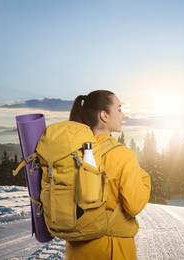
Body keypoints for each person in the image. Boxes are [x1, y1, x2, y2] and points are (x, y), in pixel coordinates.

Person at [65, 90, 151, 260]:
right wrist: (145, 179)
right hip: (112, 249)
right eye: (119, 109)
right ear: (104, 115)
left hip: (76, 250)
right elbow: (134, 205)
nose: (123, 114)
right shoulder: (121, 154)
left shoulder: (70, 151)